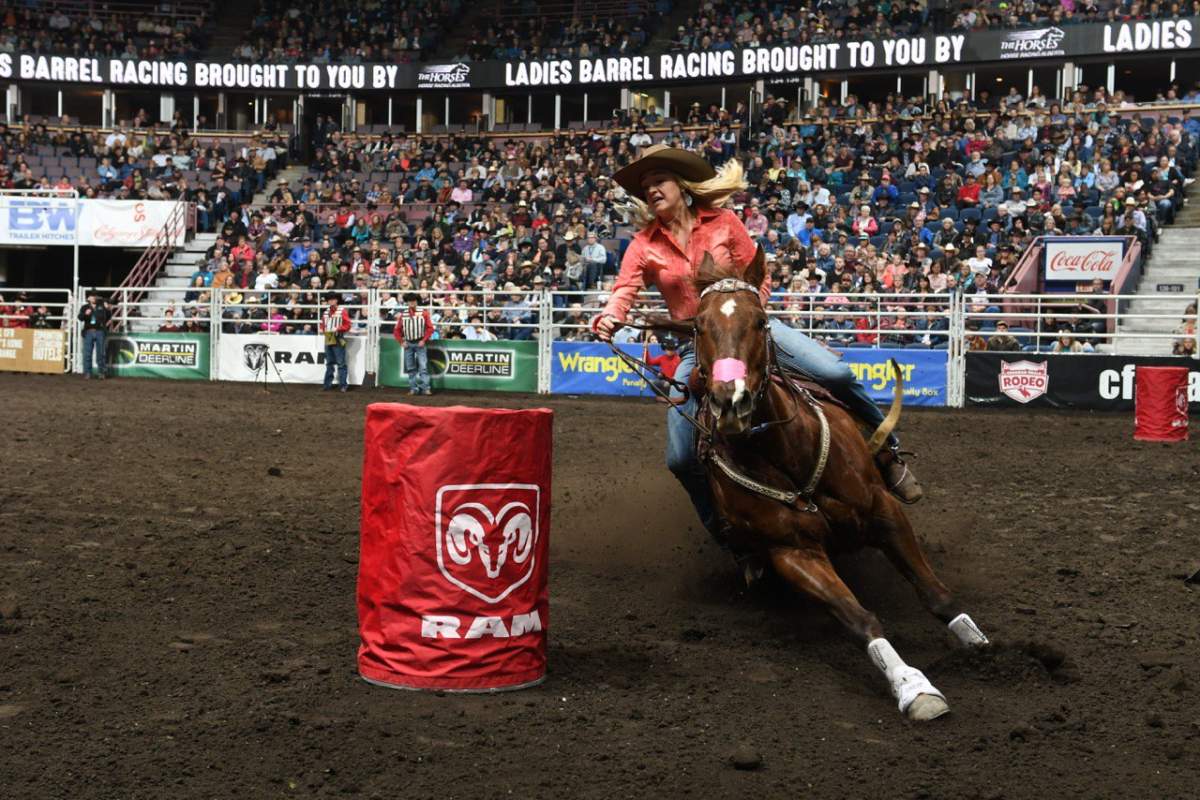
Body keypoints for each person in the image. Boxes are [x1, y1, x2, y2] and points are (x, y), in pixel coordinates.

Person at [593, 145, 923, 550]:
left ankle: (889, 456)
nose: (652, 191)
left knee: (837, 374)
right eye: (646, 188)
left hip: (750, 332)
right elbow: (623, 289)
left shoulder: (724, 221)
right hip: (701, 348)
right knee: (680, 456)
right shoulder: (644, 245)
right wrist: (608, 317)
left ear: (681, 186)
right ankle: (724, 530)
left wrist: (749, 318)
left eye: (658, 182)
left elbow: (758, 272)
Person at [394, 292, 433, 395]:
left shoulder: (424, 313)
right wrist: (401, 342)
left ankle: (425, 388)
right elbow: (397, 330)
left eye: (413, 301)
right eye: (410, 301)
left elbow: (430, 328)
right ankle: (414, 388)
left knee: (423, 366)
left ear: (417, 301)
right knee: (411, 367)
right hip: (409, 343)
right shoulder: (404, 314)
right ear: (407, 302)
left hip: (419, 342)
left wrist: (424, 340)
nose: (412, 302)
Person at [319, 293, 351, 392]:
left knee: (340, 363)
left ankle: (342, 385)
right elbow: (322, 324)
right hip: (329, 336)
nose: (331, 301)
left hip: (338, 337)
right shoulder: (326, 312)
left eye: (333, 299)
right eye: (329, 300)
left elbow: (348, 325)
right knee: (330, 363)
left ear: (336, 300)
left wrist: (339, 328)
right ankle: (328, 385)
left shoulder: (342, 311)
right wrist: (322, 329)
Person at [77, 290, 110, 379]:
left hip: (100, 331)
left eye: (95, 296)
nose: (94, 297)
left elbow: (108, 317)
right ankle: (88, 372)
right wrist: (85, 314)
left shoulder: (102, 306)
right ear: (88, 298)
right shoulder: (84, 307)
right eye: (92, 296)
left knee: (101, 353)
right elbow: (80, 318)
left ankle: (101, 372)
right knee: (87, 353)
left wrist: (107, 309)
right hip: (89, 331)